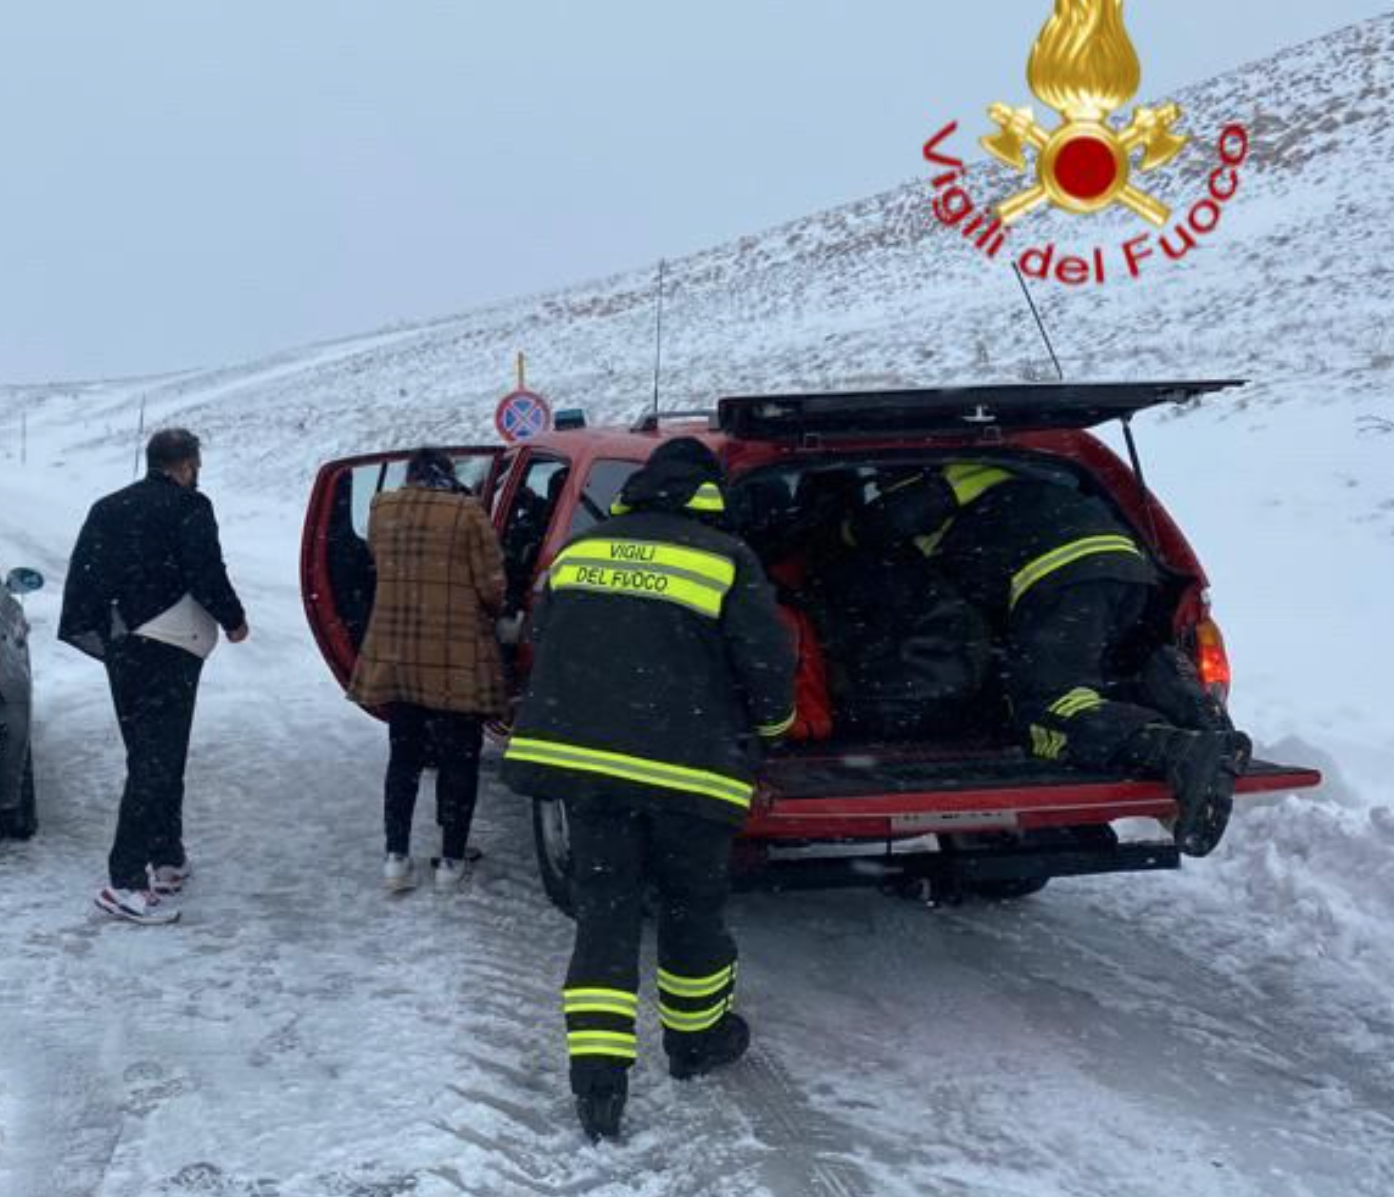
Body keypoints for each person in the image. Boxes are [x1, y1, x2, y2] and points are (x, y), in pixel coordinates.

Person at [501, 438, 796, 1144]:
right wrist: (773, 731)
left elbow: (549, 637)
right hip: (687, 771)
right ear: (710, 494)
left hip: (591, 769)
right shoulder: (726, 558)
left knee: (605, 913)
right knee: (691, 906)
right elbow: (766, 663)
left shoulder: (580, 551)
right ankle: (696, 1043)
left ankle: (598, 1082)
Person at [852, 462, 1247, 854]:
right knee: (1109, 679)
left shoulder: (943, 483)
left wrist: (843, 529)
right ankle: (1198, 717)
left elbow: (884, 521)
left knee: (1047, 707)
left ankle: (1174, 750)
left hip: (1057, 573)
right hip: (1125, 566)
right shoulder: (1021, 471)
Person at [59, 428, 248, 924]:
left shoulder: (108, 507)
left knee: (149, 751)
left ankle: (168, 856)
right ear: (186, 465)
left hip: (122, 645)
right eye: (195, 465)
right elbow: (206, 570)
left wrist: (110, 628)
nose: (196, 474)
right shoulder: (189, 506)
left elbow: (85, 576)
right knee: (159, 758)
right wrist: (233, 619)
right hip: (171, 643)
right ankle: (125, 881)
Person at [348, 448, 506, 892]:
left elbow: (380, 565)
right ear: (447, 475)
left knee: (404, 758)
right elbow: (492, 585)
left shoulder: (382, 509)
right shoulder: (467, 512)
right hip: (455, 655)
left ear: (411, 474)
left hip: (397, 654)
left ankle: (396, 858)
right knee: (459, 760)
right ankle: (451, 862)